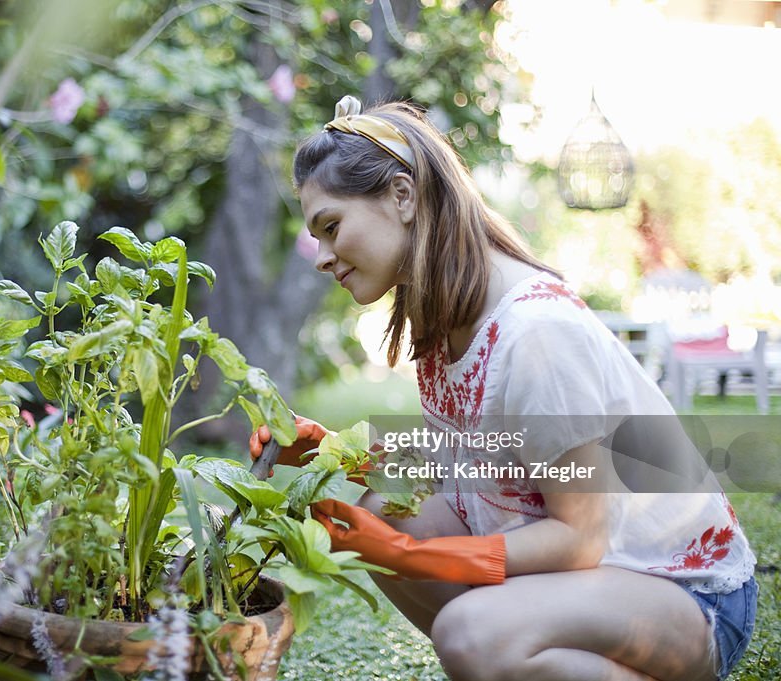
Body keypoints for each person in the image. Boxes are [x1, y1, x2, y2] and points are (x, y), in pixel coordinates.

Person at [249, 96, 758, 681]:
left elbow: (578, 539)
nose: (322, 256)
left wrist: (411, 556)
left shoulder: (535, 333)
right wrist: (334, 456)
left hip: (678, 595)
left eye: (331, 227)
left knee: (471, 633)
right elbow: (470, 464)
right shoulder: (444, 313)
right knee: (380, 514)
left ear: (402, 195)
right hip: (591, 585)